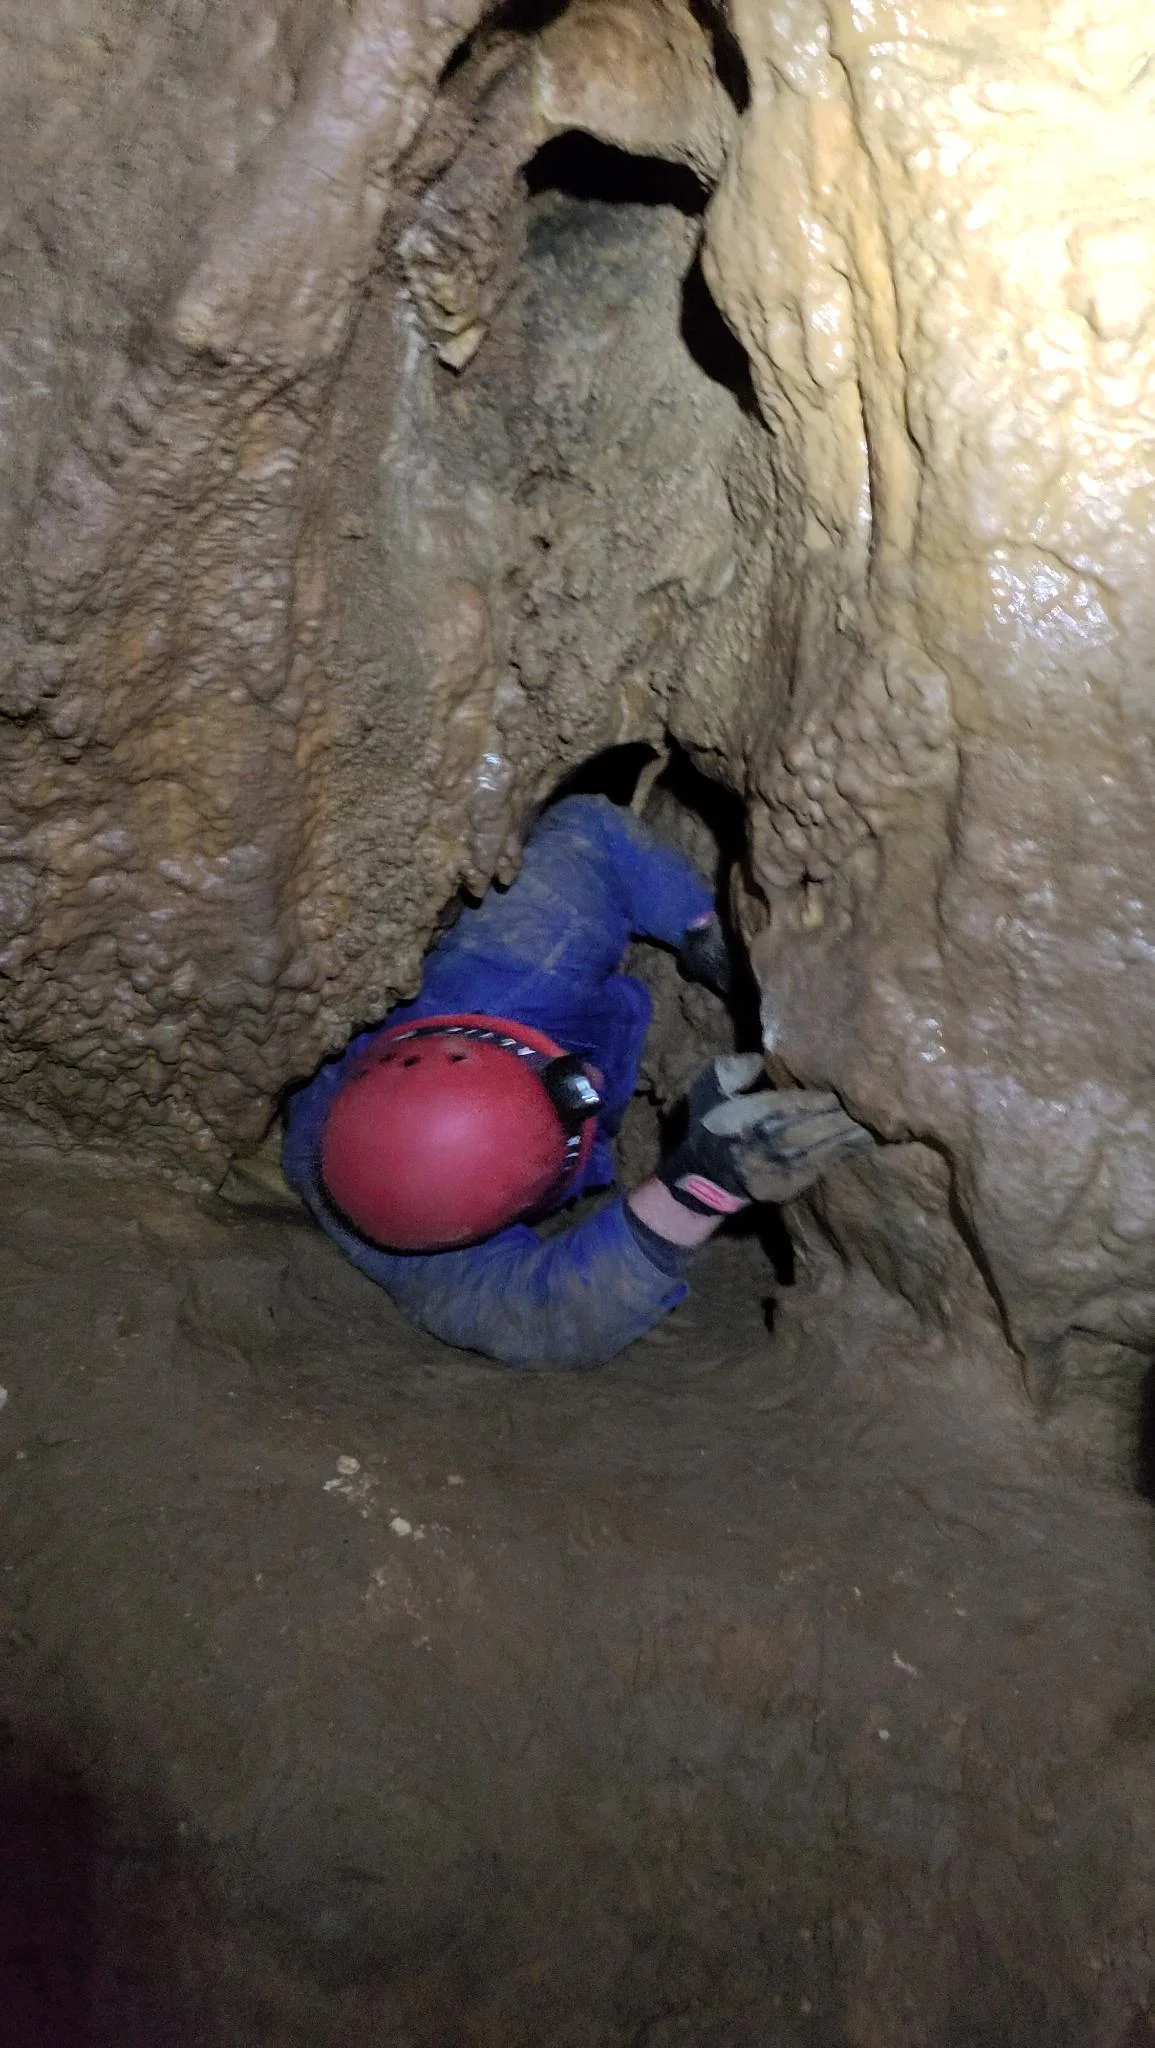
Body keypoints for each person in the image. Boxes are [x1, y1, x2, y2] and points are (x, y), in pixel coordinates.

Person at [283, 793, 870, 1369]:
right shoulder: (413, 1227)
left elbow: (591, 836)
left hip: (515, 994)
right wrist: (700, 1186)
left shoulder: (524, 955)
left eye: (569, 1080)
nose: (591, 1077)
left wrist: (709, 939)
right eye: (579, 1099)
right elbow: (544, 1316)